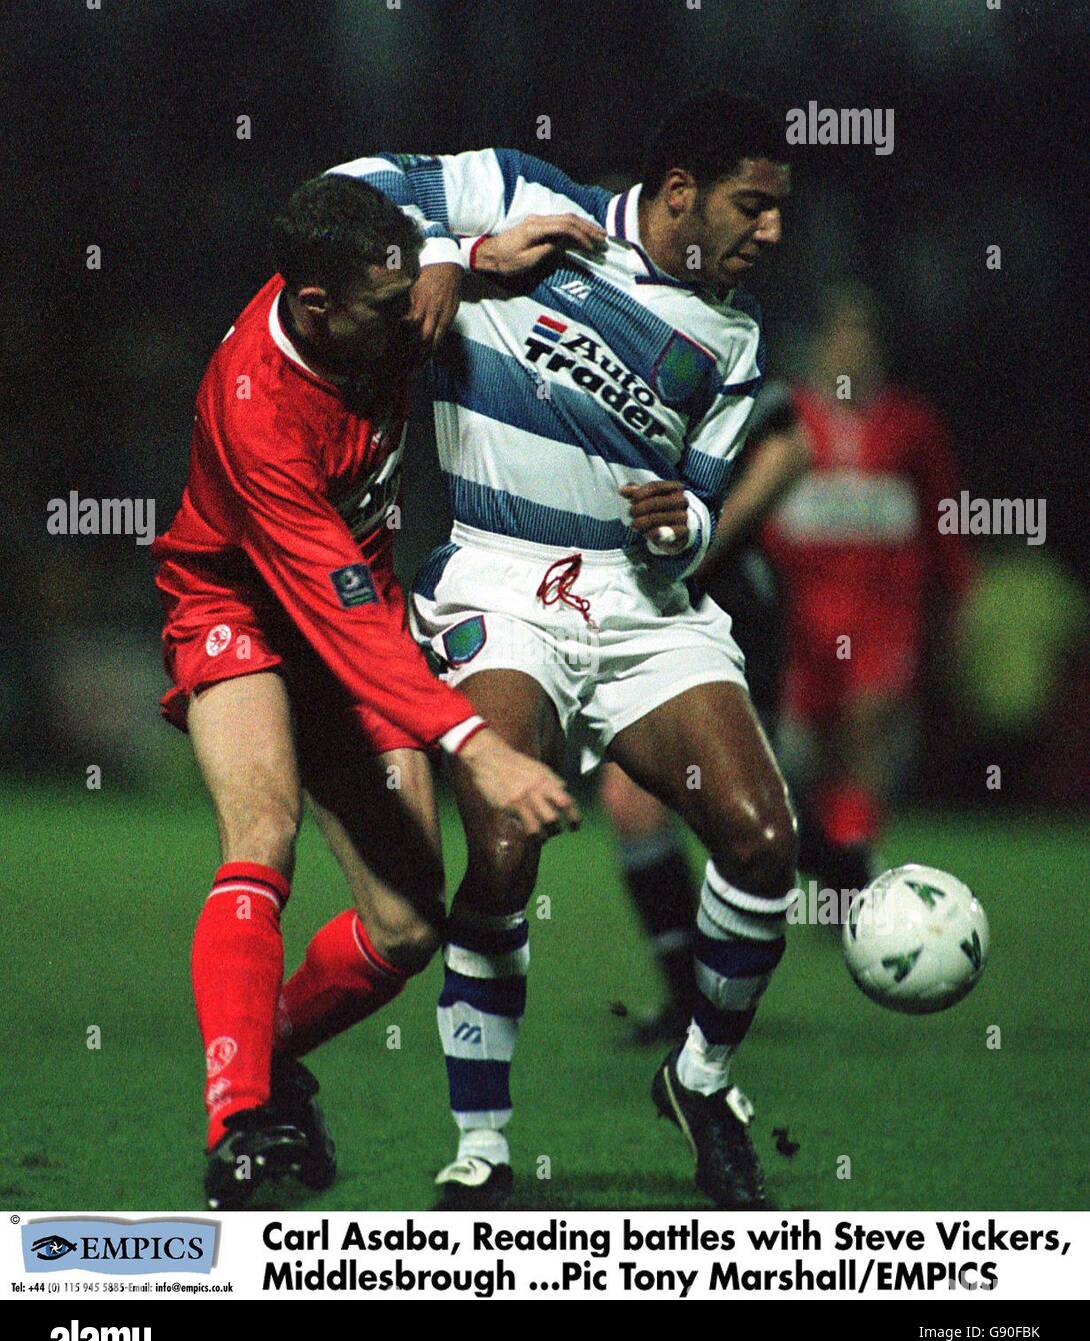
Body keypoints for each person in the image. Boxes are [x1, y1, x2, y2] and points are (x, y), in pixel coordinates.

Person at [338, 91, 797, 1210]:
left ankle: (698, 1080)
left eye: (781, 212)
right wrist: (457, 250)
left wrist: (680, 527)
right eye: (753, 206)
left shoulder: (731, 337)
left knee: (764, 842)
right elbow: (339, 199)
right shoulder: (522, 194)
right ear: (680, 193)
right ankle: (482, 1149)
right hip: (501, 576)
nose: (771, 234)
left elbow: (700, 501)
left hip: (639, 606)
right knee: (500, 838)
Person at [152, 174, 576, 1209]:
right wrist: (478, 742)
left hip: (359, 612)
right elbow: (335, 619)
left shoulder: (377, 299)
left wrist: (464, 260)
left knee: (407, 930)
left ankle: (266, 1050)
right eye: (388, 307)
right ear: (315, 311)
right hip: (240, 608)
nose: (409, 321)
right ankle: (240, 1126)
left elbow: (432, 253)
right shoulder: (258, 405)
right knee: (262, 829)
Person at [600, 382, 810, 1043]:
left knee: (737, 809)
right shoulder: (588, 334)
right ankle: (688, 995)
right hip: (643, 600)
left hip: (727, 597)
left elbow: (790, 448)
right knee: (630, 798)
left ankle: (837, 863)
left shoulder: (710, 333)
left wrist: (705, 540)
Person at [762, 283, 974, 904]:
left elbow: (945, 520)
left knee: (866, 740)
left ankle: (852, 888)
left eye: (864, 333)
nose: (852, 347)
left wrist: (957, 600)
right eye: (841, 333)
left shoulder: (910, 425)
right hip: (800, 629)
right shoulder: (787, 420)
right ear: (819, 344)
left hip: (885, 623)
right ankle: (838, 868)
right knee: (803, 765)